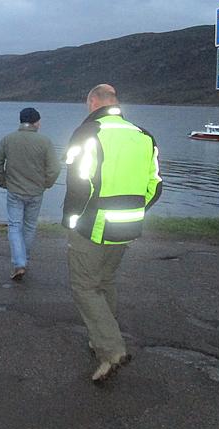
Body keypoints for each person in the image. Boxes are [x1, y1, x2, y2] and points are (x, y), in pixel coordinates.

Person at [62, 84, 162, 383]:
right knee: (105, 282)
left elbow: (80, 183)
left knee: (84, 287)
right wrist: (136, 207)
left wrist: (71, 220)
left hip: (93, 224)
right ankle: (99, 339)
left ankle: (111, 349)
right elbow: (155, 183)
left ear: (92, 101)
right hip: (128, 223)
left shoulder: (88, 133)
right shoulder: (143, 136)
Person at [0, 107, 60, 281]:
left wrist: (3, 182)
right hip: (36, 191)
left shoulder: (8, 140)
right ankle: (23, 260)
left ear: (21, 122)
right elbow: (55, 168)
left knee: (15, 226)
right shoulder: (45, 142)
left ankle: (19, 262)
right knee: (29, 227)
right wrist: (46, 183)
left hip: (14, 190)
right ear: (36, 122)